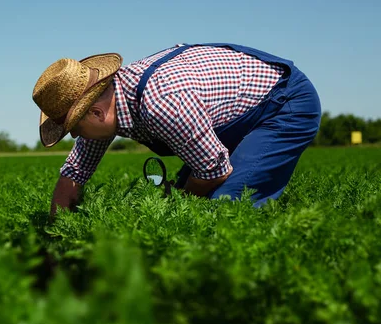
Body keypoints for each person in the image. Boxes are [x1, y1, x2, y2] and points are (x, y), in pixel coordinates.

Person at [31, 43, 321, 215]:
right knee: (188, 200)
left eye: (74, 129)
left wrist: (181, 198)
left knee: (222, 209)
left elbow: (213, 172)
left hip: (283, 103)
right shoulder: (107, 102)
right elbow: (75, 174)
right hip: (230, 116)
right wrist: (57, 236)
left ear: (94, 112)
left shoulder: (162, 102)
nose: (76, 137)